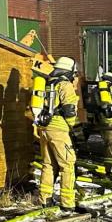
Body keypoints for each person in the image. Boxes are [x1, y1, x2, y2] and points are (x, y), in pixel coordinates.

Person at [37, 56, 81, 211]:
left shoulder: (47, 83)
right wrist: (74, 128)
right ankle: (67, 203)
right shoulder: (65, 85)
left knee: (48, 164)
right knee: (67, 165)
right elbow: (69, 110)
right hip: (59, 130)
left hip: (44, 128)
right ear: (69, 71)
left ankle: (45, 199)